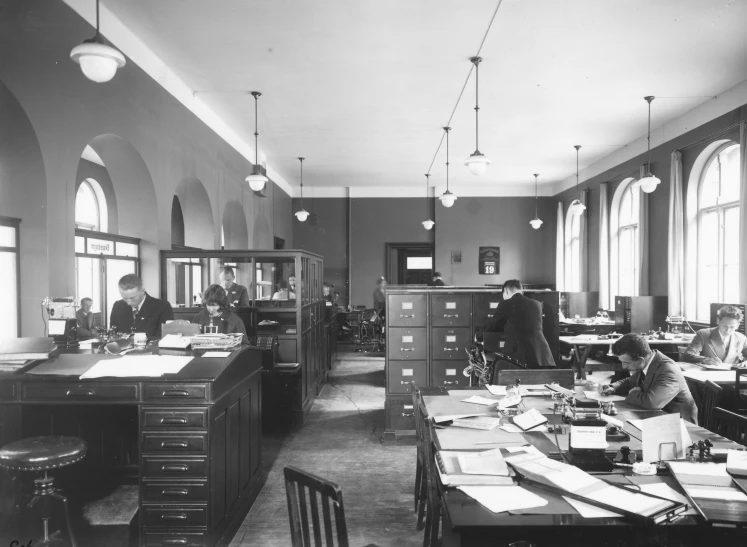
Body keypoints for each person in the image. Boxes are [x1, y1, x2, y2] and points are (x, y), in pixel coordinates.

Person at [603, 333, 698, 423]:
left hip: (679, 424)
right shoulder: (647, 363)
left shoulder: (668, 370)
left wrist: (633, 393)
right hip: (657, 417)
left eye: (626, 363)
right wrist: (612, 388)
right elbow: (629, 382)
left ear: (641, 360)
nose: (623, 367)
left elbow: (651, 403)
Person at [483, 279, 554, 368]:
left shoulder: (505, 304)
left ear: (506, 291)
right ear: (521, 290)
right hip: (542, 354)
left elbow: (493, 326)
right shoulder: (537, 304)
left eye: (503, 294)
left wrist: (477, 335)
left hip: (519, 356)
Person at [110, 274, 174, 339]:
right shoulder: (118, 306)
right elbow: (114, 334)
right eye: (125, 298)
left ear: (142, 291)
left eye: (132, 298)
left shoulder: (162, 306)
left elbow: (164, 337)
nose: (129, 303)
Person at [683, 305, 747, 367]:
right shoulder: (703, 334)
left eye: (732, 327)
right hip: (706, 374)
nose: (728, 330)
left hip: (733, 375)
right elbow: (688, 355)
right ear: (718, 321)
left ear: (738, 325)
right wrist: (704, 360)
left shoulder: (742, 338)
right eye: (724, 326)